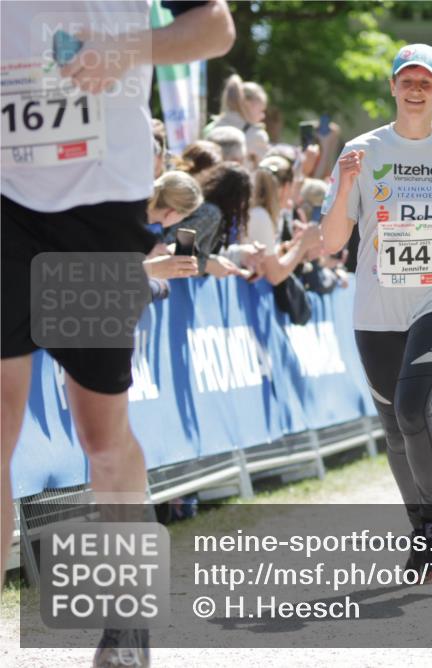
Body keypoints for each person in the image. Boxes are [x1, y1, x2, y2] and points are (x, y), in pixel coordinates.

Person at [1, 1, 234, 665]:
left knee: (99, 433)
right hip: (6, 202)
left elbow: (215, 28)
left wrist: (128, 48)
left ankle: (127, 615)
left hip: (96, 211)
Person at [320, 44, 432, 575]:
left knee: (411, 407)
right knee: (395, 429)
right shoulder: (361, 150)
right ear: (393, 87)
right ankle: (420, 529)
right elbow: (332, 241)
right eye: (408, 80)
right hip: (376, 308)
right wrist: (345, 187)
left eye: (427, 81)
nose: (416, 89)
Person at [203, 73, 270, 166]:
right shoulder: (257, 135)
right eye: (261, 110)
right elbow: (262, 174)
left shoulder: (209, 128)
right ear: (249, 104)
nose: (263, 116)